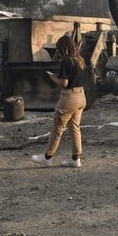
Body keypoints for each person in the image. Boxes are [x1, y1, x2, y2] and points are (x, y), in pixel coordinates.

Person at [31, 35, 87, 168]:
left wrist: (52, 78)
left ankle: (47, 157)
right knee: (75, 127)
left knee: (57, 127)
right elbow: (72, 78)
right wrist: (59, 76)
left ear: (63, 49)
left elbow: (64, 83)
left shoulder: (66, 61)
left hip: (69, 97)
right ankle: (75, 158)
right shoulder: (80, 60)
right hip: (81, 96)